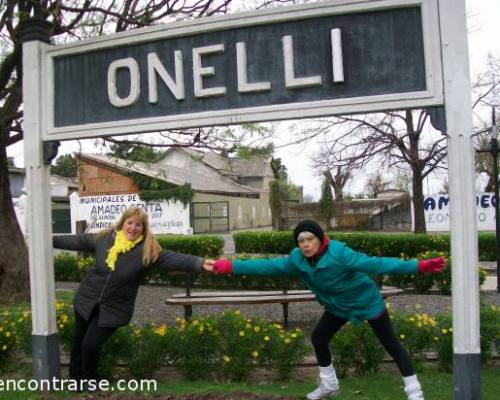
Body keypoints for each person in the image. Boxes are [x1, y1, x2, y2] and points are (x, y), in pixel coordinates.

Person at [208, 220, 444, 400]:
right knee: (319, 337)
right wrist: (229, 265)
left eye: (310, 239)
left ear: (320, 239)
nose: (305, 244)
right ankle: (329, 384)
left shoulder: (340, 254)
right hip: (337, 307)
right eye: (301, 241)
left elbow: (376, 263)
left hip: (366, 302)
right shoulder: (296, 260)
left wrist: (419, 266)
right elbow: (266, 266)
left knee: (390, 343)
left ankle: (415, 392)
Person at [53, 206, 213, 388]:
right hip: (87, 300)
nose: (133, 228)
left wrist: (199, 263)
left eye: (139, 225)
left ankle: (91, 382)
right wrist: (49, 240)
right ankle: (75, 383)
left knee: (89, 345)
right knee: (78, 344)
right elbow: (78, 241)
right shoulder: (105, 238)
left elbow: (172, 258)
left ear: (144, 229)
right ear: (123, 223)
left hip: (114, 308)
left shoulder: (147, 251)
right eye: (130, 223)